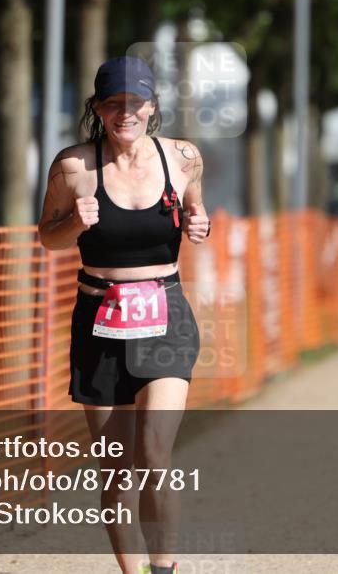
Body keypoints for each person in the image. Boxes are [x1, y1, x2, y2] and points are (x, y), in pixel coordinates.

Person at [37, 56, 209, 574]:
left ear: (152, 107)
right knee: (116, 470)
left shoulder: (183, 158)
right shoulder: (72, 167)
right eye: (114, 103)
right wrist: (73, 224)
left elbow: (196, 209)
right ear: (97, 108)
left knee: (155, 453)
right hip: (99, 319)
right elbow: (46, 236)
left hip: (165, 314)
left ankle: (165, 569)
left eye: (135, 102)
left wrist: (200, 224)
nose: (125, 113)